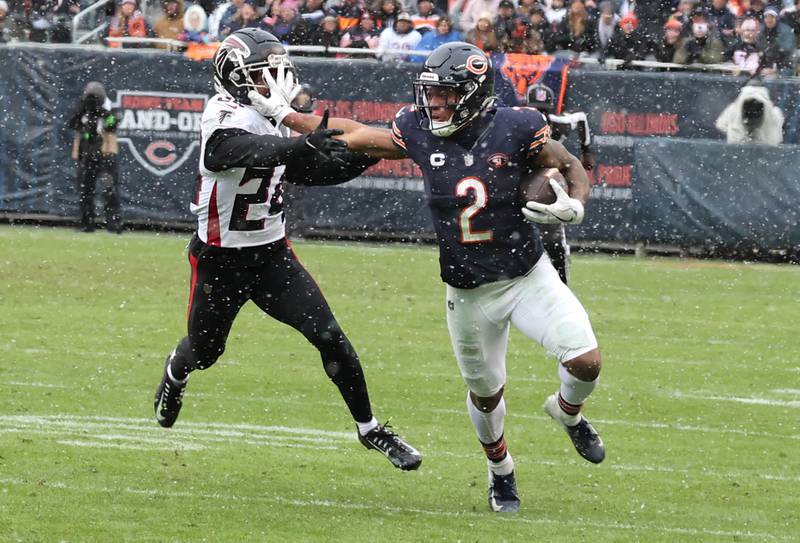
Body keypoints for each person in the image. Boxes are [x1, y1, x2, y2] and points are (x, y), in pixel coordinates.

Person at [258, 41, 605, 513]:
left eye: (447, 94)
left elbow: (567, 164)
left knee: (586, 361)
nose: (435, 103)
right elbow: (355, 134)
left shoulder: (518, 126)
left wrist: (576, 204)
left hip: (526, 275)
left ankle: (567, 413)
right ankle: (501, 472)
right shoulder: (420, 129)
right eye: (432, 93)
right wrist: (288, 117)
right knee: (486, 398)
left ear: (477, 92)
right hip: (467, 292)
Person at [153, 28, 422, 473]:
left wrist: (367, 155)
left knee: (329, 335)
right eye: (263, 75)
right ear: (236, 77)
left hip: (271, 256)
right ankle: (175, 372)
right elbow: (232, 151)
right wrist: (298, 142)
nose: (273, 84)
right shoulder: (221, 114)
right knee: (205, 352)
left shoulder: (276, 117)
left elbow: (318, 171)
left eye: (277, 73)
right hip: (221, 259)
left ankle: (370, 428)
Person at [525, 82, 595, 285]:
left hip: (549, 181)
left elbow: (581, 118)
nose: (539, 114)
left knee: (553, 238)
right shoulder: (520, 123)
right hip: (523, 179)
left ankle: (560, 282)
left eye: (542, 110)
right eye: (535, 109)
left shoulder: (557, 123)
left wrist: (586, 151)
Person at [67, 82, 122, 234]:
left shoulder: (111, 109)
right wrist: (81, 110)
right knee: (85, 190)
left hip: (106, 155)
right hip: (86, 154)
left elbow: (113, 124)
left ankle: (113, 224)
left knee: (109, 190)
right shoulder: (83, 111)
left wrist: (102, 112)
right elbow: (72, 123)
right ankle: (87, 223)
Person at [715, 80, 784, 144]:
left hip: (738, 146)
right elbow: (778, 135)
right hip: (765, 148)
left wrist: (732, 132)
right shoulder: (775, 111)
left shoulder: (733, 108)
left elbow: (720, 125)